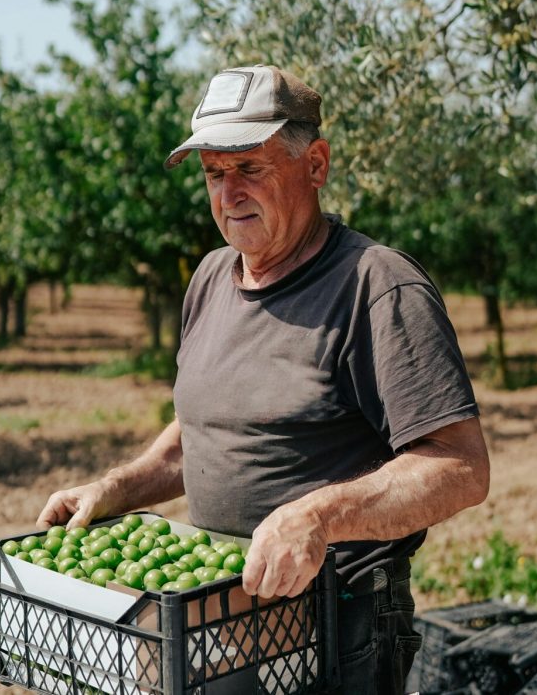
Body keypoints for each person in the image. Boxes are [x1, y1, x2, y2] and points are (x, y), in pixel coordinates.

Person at [37, 64, 490, 694]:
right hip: (215, 619)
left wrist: (319, 517)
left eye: (250, 167)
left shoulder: (376, 286)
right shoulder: (210, 278)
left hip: (334, 631)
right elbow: (203, 435)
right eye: (213, 174)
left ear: (316, 165)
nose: (229, 194)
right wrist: (115, 489)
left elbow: (460, 467)